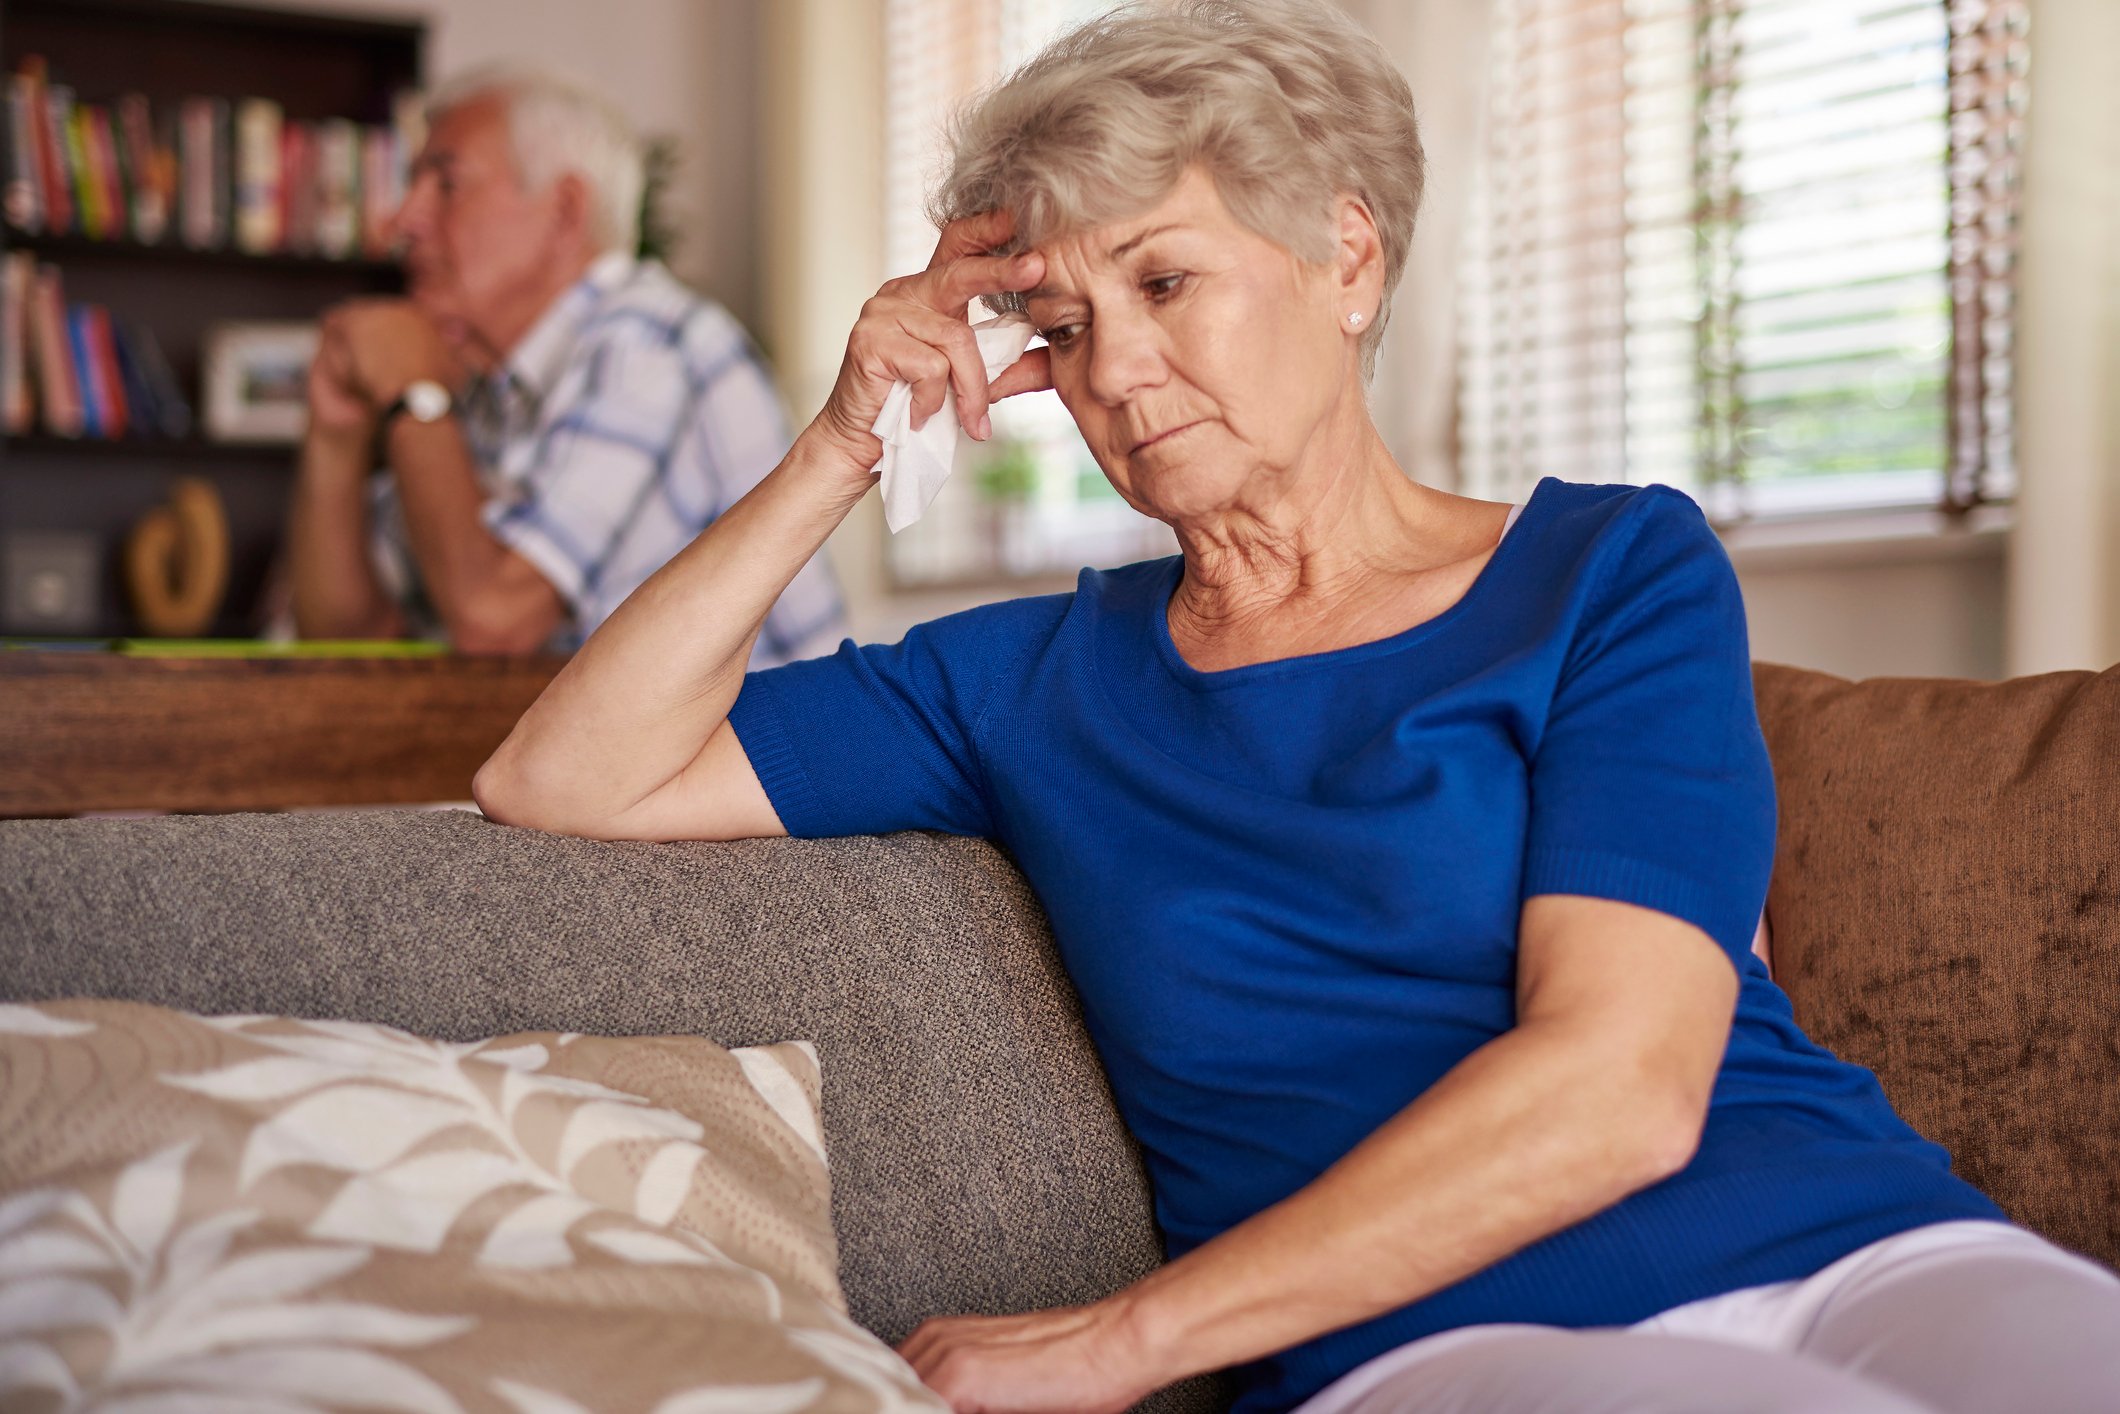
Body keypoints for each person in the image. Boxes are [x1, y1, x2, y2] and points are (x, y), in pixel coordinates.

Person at [472, 3, 2120, 1411]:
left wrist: (1124, 1339)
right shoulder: (1028, 678)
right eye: (1061, 324)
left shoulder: (1612, 571)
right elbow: (564, 772)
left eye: (1165, 283)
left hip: (1855, 1234)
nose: (1112, 371)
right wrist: (839, 439)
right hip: (1430, 1339)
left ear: (1345, 252)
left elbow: (1626, 1078)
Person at [289, 68, 843, 662]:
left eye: (445, 184)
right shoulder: (485, 389)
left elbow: (495, 623)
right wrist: (336, 435)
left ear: (563, 210)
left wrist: (416, 392)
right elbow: (347, 644)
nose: (402, 221)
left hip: (783, 756)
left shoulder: (651, 344)